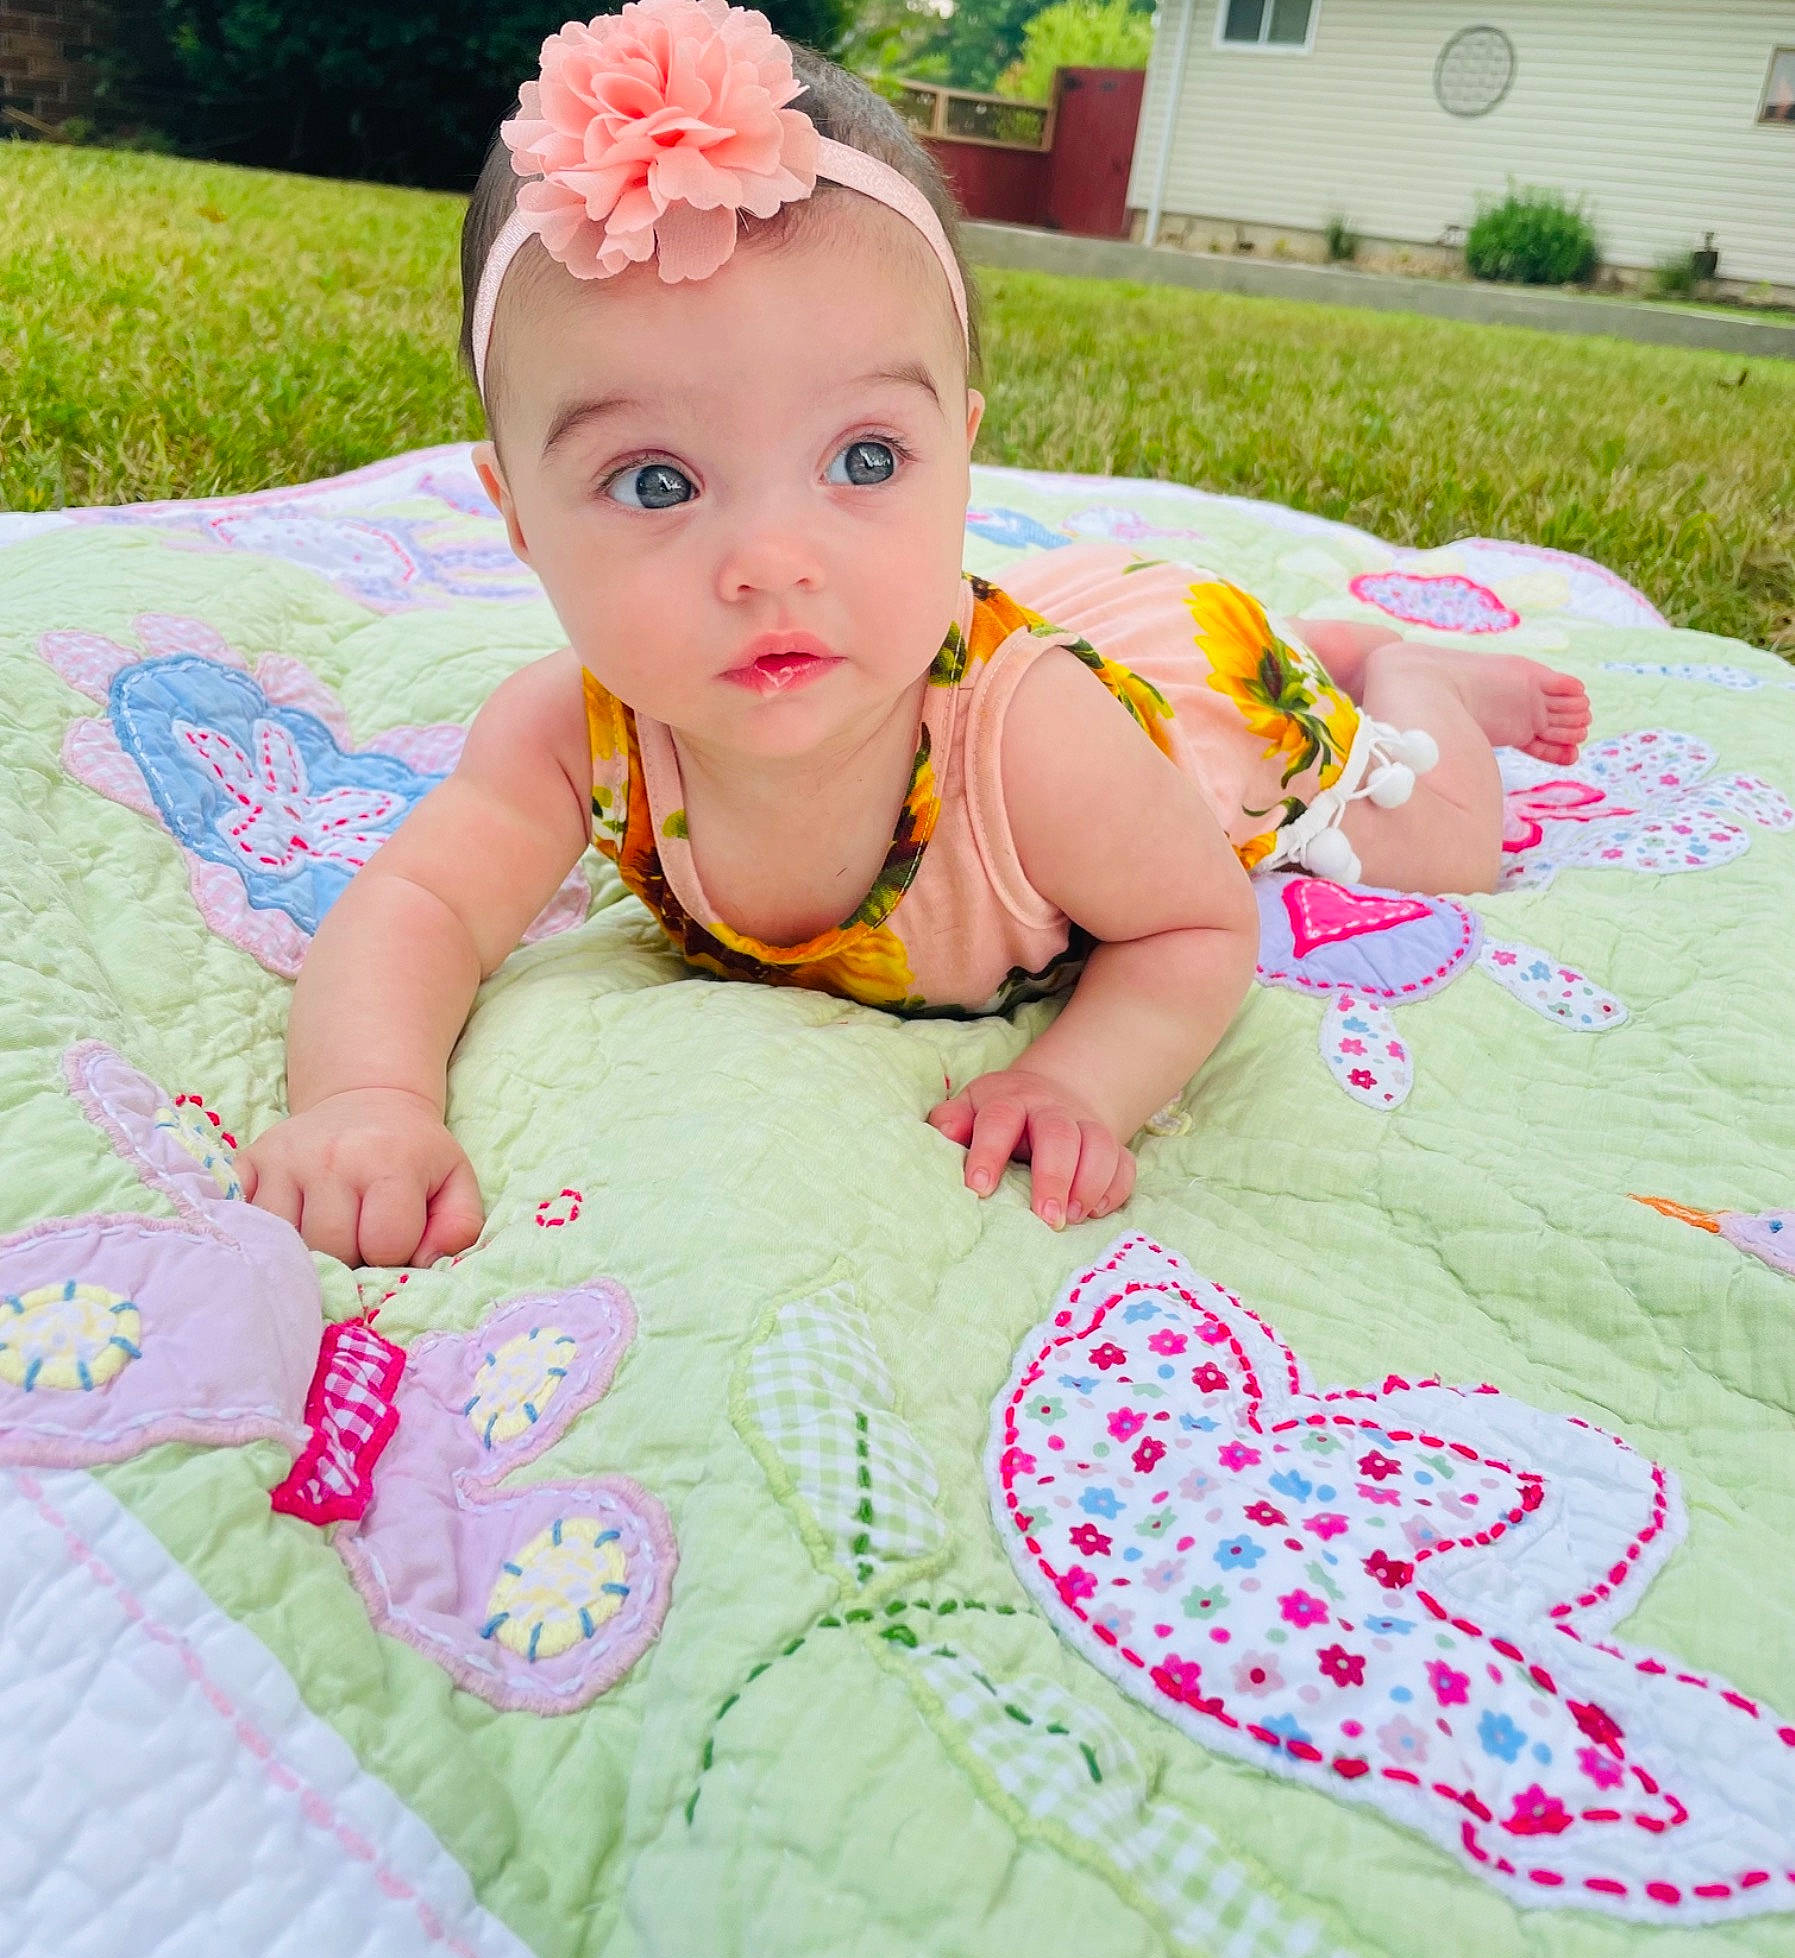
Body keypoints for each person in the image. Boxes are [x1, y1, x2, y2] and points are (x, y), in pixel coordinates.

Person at [241, 0, 1590, 1267]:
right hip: (1054, 634)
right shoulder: (567, 737)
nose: (773, 563)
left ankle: (1397, 668)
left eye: (867, 460)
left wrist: (1080, 1080)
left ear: (961, 454)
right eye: (655, 482)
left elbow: (1193, 926)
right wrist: (367, 1100)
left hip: (1181, 726)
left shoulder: (1036, 741)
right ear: (518, 517)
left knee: (1441, 846)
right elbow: (418, 907)